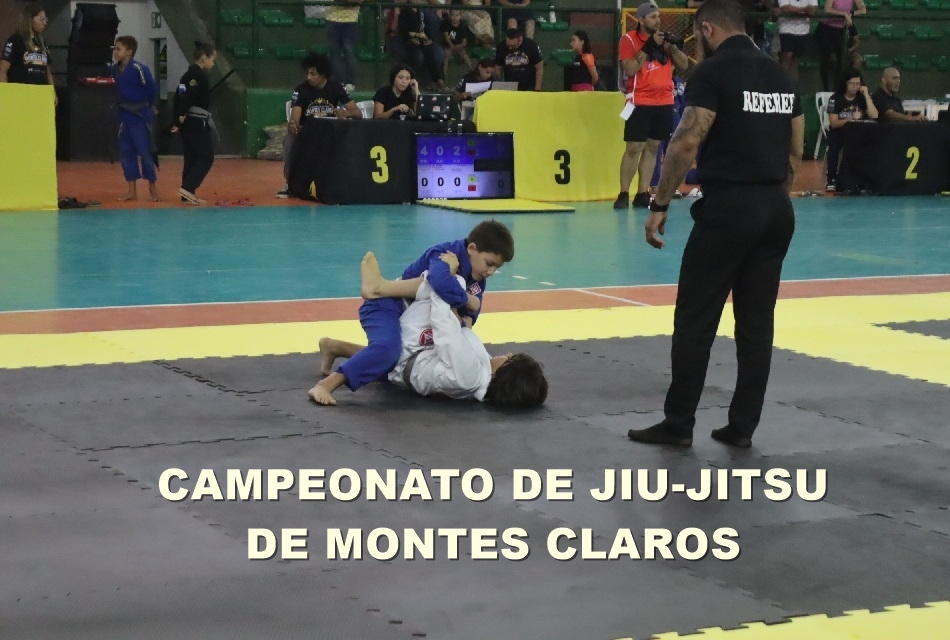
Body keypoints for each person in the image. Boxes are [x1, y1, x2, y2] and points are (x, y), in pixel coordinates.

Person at [627, 0, 804, 449]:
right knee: (756, 323)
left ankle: (678, 423)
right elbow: (796, 147)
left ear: (707, 29)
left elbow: (686, 140)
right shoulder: (781, 74)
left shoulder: (713, 72)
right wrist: (774, 196)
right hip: (775, 208)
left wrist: (659, 201)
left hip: (729, 208)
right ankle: (742, 427)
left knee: (696, 318)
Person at [308, 219, 514, 406]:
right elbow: (441, 283)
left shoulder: (478, 280)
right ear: (472, 249)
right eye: (489, 264)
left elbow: (470, 318)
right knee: (388, 351)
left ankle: (335, 347)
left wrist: (466, 318)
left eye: (497, 268)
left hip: (414, 319)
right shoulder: (446, 254)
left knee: (399, 362)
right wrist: (467, 300)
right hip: (386, 306)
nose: (491, 272)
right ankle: (326, 385)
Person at [317, 252, 548, 407]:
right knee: (387, 357)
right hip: (413, 361)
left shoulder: (470, 374)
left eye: (509, 358)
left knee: (444, 286)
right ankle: (335, 347)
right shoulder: (480, 381)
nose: (506, 354)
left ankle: (379, 287)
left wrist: (453, 280)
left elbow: (442, 324)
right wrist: (464, 320)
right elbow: (461, 338)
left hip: (410, 349)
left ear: (504, 371)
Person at [614, 2, 689, 210]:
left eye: (658, 16)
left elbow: (684, 64)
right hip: (639, 101)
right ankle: (623, 192)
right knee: (634, 147)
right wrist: (648, 46)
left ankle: (642, 193)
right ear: (641, 19)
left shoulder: (664, 40)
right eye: (653, 17)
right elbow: (630, 69)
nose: (658, 20)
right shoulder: (629, 39)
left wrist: (672, 47)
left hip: (664, 101)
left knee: (653, 147)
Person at [278, 54, 361, 197]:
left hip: (330, 134)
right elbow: (295, 120)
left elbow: (357, 113)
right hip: (307, 133)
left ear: (323, 74)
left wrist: (345, 113)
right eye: (307, 73)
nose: (309, 77)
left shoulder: (336, 88)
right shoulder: (301, 90)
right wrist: (293, 126)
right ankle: (289, 183)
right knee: (289, 140)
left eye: (313, 74)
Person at [110, 36, 160, 202]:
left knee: (145, 152)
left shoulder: (139, 68)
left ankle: (152, 187)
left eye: (118, 49)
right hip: (124, 114)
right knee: (127, 152)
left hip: (140, 115)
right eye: (115, 49)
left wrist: (150, 106)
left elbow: (152, 89)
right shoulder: (114, 70)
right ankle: (132, 190)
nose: (115, 52)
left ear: (129, 52)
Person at [171, 41, 217, 205]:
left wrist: (178, 119)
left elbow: (179, 97)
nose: (213, 64)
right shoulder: (198, 76)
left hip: (187, 121)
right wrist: (181, 115)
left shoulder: (186, 76)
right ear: (204, 58)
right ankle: (188, 188)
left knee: (191, 157)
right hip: (196, 121)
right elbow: (187, 98)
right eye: (212, 60)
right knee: (206, 156)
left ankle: (187, 194)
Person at [824, 68, 877, 192]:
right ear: (845, 83)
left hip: (857, 133)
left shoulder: (861, 98)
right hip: (839, 132)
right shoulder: (834, 99)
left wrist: (866, 95)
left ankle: (862, 179)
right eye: (852, 83)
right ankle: (831, 178)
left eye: (858, 84)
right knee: (834, 148)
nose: (855, 86)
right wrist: (851, 118)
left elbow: (874, 115)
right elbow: (834, 123)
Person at [0, 2, 56, 102]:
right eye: (41, 19)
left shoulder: (42, 42)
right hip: (20, 94)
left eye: (45, 19)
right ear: (30, 19)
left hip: (41, 93)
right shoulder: (15, 40)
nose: (44, 23)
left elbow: (47, 71)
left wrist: (52, 92)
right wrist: (7, 95)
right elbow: (2, 70)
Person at [815, 0, 866, 92]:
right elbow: (827, 9)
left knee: (841, 61)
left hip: (840, 29)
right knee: (825, 59)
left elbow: (863, 9)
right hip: (826, 28)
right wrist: (844, 14)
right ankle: (825, 89)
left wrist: (851, 14)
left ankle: (837, 89)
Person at [395, 0, 446, 89]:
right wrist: (410, 39)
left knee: (437, 53)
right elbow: (403, 30)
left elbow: (429, 28)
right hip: (410, 43)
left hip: (424, 42)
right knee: (419, 56)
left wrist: (430, 39)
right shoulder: (405, 12)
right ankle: (417, 81)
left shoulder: (423, 11)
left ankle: (438, 80)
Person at [326, 0, 362, 93]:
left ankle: (350, 82)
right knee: (335, 52)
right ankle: (339, 82)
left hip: (351, 20)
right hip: (332, 18)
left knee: (349, 51)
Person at [776, 0, 817, 82]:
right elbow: (785, 8)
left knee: (795, 61)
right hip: (786, 28)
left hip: (803, 30)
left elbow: (813, 9)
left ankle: (793, 87)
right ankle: (781, 85)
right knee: (786, 58)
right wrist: (804, 9)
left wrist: (803, 10)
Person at [494, 28, 544, 92]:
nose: (510, 48)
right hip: (509, 85)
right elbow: (497, 68)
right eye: (508, 45)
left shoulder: (531, 46)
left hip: (529, 85)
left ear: (520, 40)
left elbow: (539, 69)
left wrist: (537, 89)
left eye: (513, 46)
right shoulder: (501, 47)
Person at [441, 9, 475, 80]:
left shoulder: (462, 26)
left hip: (458, 46)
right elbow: (446, 37)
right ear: (449, 15)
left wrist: (458, 46)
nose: (454, 17)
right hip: (448, 45)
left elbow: (464, 42)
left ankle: (471, 69)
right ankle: (444, 74)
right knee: (446, 55)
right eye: (452, 15)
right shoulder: (446, 24)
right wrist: (451, 45)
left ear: (460, 16)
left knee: (464, 55)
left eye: (457, 15)